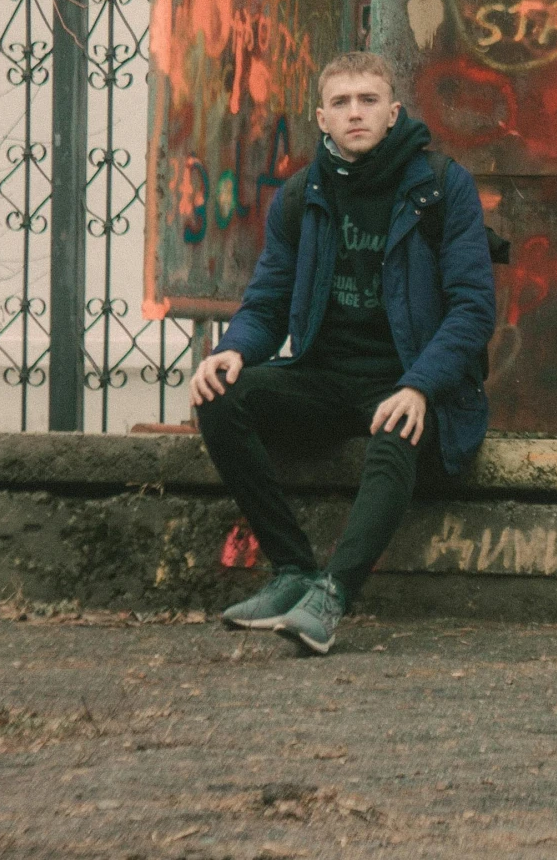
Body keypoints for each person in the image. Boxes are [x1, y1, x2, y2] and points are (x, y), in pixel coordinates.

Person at [189, 50, 495, 655]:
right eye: (341, 102)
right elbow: (268, 299)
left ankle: (331, 593)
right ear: (322, 119)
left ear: (393, 112)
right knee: (224, 397)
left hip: (415, 384)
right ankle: (292, 571)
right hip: (326, 379)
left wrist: (419, 386)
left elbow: (472, 309)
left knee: (395, 428)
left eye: (368, 100)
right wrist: (234, 351)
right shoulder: (302, 195)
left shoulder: (440, 185)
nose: (356, 112)